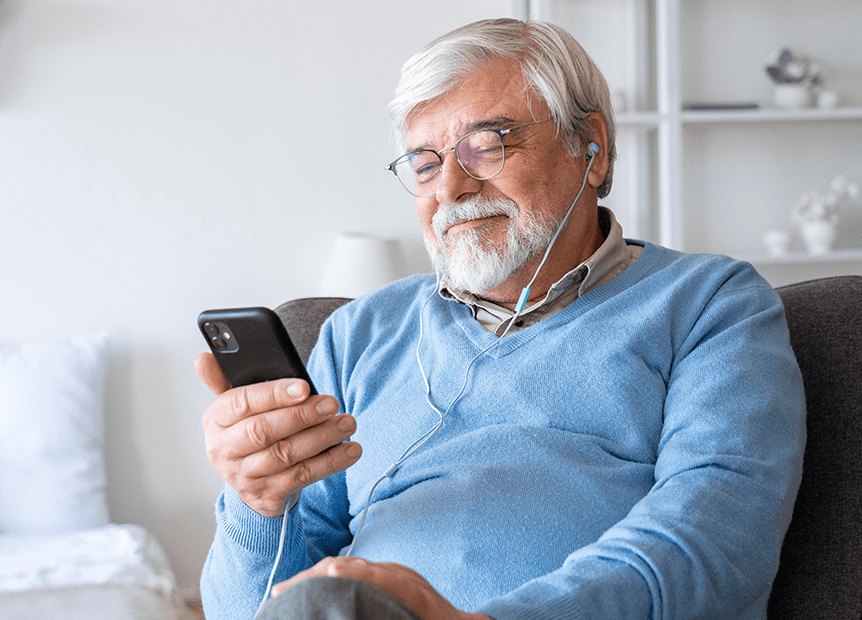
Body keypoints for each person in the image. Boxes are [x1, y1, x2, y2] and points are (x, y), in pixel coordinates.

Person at [196, 18, 805, 620]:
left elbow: (717, 532)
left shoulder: (711, 304)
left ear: (590, 149)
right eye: (426, 164)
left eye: (487, 145)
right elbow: (247, 613)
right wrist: (255, 506)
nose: (451, 188)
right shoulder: (361, 334)